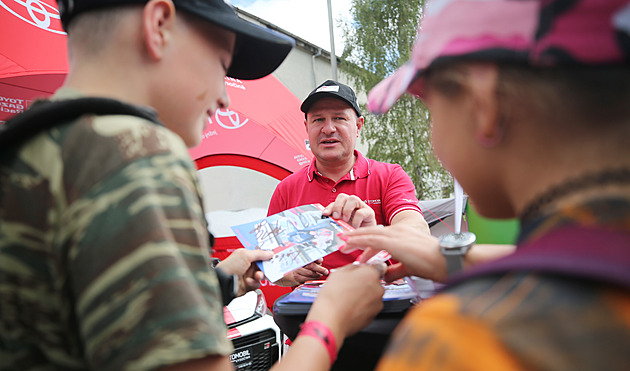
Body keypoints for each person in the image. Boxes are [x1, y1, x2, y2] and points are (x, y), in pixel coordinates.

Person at [0, 0, 386, 369]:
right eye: (220, 65)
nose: (222, 98)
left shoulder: (28, 146)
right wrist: (331, 318)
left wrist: (222, 280)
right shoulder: (139, 154)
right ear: (159, 26)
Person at [340, 0, 630, 369]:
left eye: (431, 107)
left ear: (483, 101)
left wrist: (325, 326)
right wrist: (454, 259)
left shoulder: (462, 338)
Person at [268, 79, 430, 286]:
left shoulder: (390, 175)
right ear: (306, 127)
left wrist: (375, 233)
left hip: (382, 299)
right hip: (310, 307)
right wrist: (292, 274)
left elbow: (416, 230)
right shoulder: (286, 189)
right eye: (318, 120)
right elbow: (270, 262)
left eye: (339, 118)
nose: (328, 129)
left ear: (358, 126)